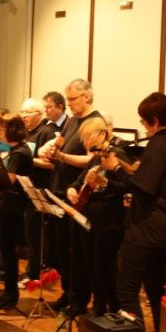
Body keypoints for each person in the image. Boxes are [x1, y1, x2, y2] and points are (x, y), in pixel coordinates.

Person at [103, 92, 166, 332]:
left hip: (146, 229)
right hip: (165, 227)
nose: (144, 127)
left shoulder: (158, 144)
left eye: (144, 122)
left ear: (155, 120)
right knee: (157, 293)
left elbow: (144, 185)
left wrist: (116, 170)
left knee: (126, 290)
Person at [39, 79, 100, 314]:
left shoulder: (94, 122)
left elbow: (93, 158)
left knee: (76, 251)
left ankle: (80, 297)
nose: (70, 103)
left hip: (76, 195)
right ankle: (68, 290)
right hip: (59, 189)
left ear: (87, 97)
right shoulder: (72, 120)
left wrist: (63, 158)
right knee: (61, 248)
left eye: (73, 99)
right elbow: (61, 144)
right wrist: (51, 152)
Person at [66, 116, 130, 316]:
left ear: (101, 135)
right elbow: (78, 181)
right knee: (91, 266)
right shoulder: (96, 157)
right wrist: (72, 189)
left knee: (104, 269)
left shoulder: (116, 154)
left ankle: (114, 310)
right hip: (89, 220)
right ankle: (99, 310)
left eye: (87, 137)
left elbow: (128, 186)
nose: (84, 142)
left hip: (108, 220)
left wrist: (107, 183)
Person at [0, 112, 34, 310]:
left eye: (2, 129)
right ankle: (8, 291)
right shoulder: (16, 150)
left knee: (8, 250)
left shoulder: (19, 153)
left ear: (11, 130)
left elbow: (9, 181)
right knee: (5, 248)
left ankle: (10, 293)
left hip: (12, 207)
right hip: (6, 205)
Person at [21, 97, 57, 285]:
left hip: (40, 189)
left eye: (28, 112)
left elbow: (51, 165)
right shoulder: (25, 133)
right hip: (25, 188)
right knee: (28, 234)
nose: (24, 116)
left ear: (39, 114)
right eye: (23, 112)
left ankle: (34, 273)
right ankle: (31, 270)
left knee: (36, 235)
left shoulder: (47, 132)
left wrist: (27, 160)